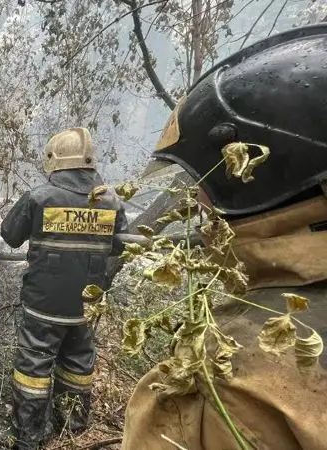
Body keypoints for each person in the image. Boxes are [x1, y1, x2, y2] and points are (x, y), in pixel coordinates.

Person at [123, 24, 327, 449]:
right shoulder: (108, 204)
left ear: (247, 173)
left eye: (204, 181)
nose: (199, 200)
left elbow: (13, 235)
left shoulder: (218, 378)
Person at [0, 127, 128, 449]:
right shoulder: (111, 201)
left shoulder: (39, 198)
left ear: (53, 160)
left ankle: (28, 437)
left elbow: (10, 235)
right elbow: (119, 247)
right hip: (86, 305)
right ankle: (72, 426)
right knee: (78, 363)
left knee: (33, 368)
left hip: (44, 305)